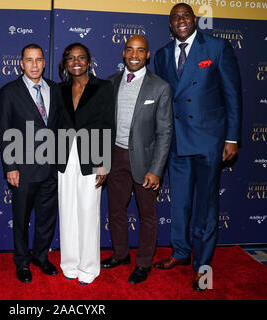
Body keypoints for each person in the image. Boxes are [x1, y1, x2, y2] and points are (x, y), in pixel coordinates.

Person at [153, 3, 242, 291]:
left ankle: (203, 265)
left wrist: (232, 138)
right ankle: (180, 252)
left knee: (205, 207)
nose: (180, 21)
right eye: (175, 17)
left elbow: (232, 95)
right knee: (179, 203)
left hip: (208, 142)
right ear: (170, 24)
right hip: (177, 143)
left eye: (185, 16)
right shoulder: (163, 54)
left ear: (195, 19)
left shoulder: (216, 48)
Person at [102, 35, 173, 284]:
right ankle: (121, 254)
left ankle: (142, 263)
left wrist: (156, 169)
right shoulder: (110, 82)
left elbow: (165, 132)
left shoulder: (160, 87)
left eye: (140, 50)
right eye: (130, 50)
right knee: (116, 210)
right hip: (115, 156)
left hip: (145, 159)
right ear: (123, 53)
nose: (134, 55)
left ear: (147, 55)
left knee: (148, 215)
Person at [0, 44, 61, 283]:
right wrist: (10, 166)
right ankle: (22, 262)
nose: (34, 64)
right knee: (21, 219)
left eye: (39, 60)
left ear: (44, 63)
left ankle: (41, 257)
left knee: (46, 217)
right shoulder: (9, 91)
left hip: (51, 168)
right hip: (22, 169)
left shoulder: (55, 89)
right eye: (29, 60)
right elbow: (5, 131)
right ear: (21, 63)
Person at [57, 43, 115, 285]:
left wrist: (104, 163)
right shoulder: (59, 89)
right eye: (71, 58)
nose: (76, 62)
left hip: (93, 156)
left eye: (81, 57)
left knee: (89, 212)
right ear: (65, 63)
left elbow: (108, 125)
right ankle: (69, 263)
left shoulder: (103, 87)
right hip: (63, 156)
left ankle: (89, 267)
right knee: (67, 211)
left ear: (89, 61)